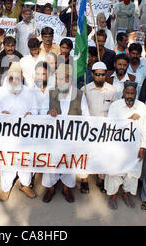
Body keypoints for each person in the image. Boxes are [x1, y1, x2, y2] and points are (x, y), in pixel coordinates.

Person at [0, 62, 37, 201]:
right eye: (11, 78)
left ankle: (25, 184)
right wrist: (0, 113)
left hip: (25, 134)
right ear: (8, 77)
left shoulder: (29, 92)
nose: (14, 80)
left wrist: (30, 114)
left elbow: (35, 110)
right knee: (7, 161)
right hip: (6, 134)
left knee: (25, 160)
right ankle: (6, 188)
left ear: (21, 77)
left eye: (17, 78)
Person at [43, 64, 90, 203]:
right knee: (51, 162)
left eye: (61, 79)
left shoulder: (79, 94)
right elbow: (41, 115)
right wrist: (48, 113)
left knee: (69, 162)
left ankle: (66, 188)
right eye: (57, 78)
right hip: (54, 138)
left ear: (69, 80)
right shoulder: (51, 93)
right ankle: (50, 188)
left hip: (72, 138)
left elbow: (86, 116)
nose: (58, 82)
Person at [105, 81, 146, 210]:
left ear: (136, 94)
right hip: (118, 146)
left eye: (132, 93)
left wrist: (143, 146)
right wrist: (128, 120)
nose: (130, 96)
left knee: (132, 173)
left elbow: (145, 129)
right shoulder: (115, 106)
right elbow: (110, 126)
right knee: (115, 172)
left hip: (135, 147)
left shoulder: (141, 107)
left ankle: (126, 194)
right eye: (127, 93)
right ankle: (112, 196)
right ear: (123, 93)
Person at [80, 62, 118, 193]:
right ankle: (84, 180)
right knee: (86, 155)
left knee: (103, 155)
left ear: (106, 74)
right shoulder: (84, 89)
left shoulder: (112, 90)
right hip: (88, 129)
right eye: (97, 74)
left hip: (105, 131)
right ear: (92, 74)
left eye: (103, 74)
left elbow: (114, 111)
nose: (100, 77)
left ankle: (100, 179)